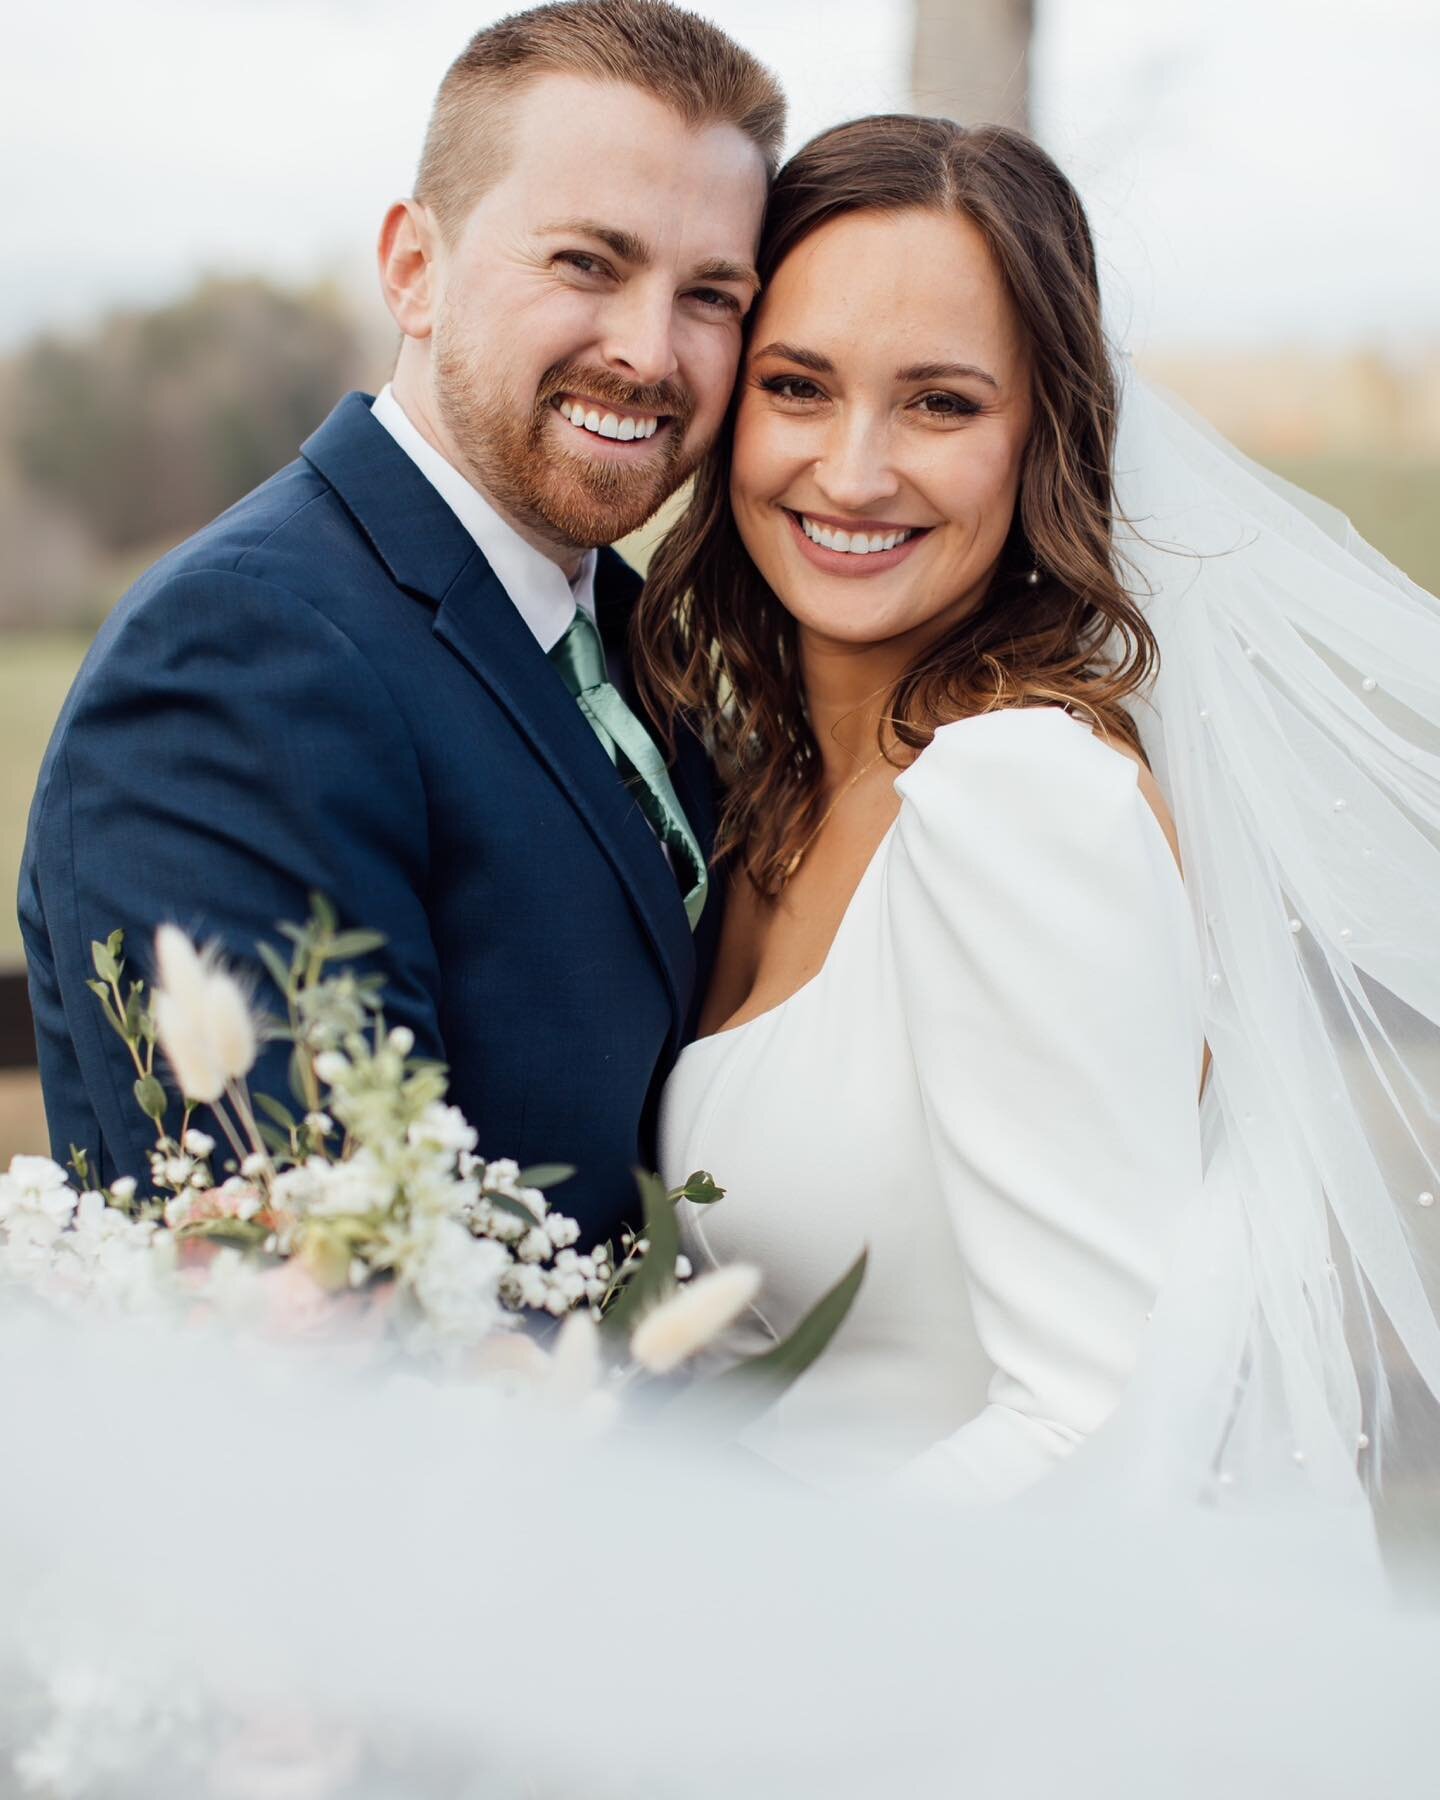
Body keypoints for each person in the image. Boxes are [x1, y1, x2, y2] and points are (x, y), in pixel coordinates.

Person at [640, 115, 1440, 1518]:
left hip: (915, 1677)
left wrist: (728, 1640)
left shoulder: (1016, 798)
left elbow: (1100, 1418)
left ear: (1044, 436)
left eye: (941, 404)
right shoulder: (764, 785)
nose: (854, 468)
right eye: (799, 386)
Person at [18, 0, 782, 1246]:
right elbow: (317, 1283)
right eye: (588, 262)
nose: (651, 353)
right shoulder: (236, 655)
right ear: (414, 269)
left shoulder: (641, 637)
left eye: (711, 293)